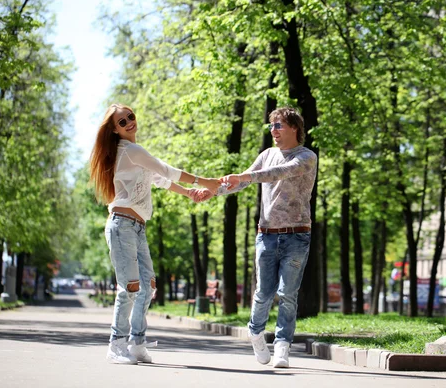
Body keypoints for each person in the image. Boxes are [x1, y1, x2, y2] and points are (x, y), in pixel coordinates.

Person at [89, 104, 220, 365]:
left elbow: (158, 179)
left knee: (148, 287)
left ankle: (137, 344)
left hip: (137, 227)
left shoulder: (135, 154)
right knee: (129, 287)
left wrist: (189, 194)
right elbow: (166, 170)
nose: (129, 122)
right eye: (122, 121)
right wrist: (205, 182)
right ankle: (116, 346)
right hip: (122, 225)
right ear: (115, 130)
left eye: (131, 116)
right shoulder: (130, 151)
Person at [196, 107, 317, 368]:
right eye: (271, 126)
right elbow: (243, 182)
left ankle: (282, 348)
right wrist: (213, 192)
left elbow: (280, 173)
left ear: (294, 128)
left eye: (279, 125)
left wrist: (246, 176)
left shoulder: (306, 157)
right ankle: (255, 332)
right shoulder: (266, 154)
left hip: (297, 236)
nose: (273, 130)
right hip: (267, 236)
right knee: (263, 292)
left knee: (287, 294)